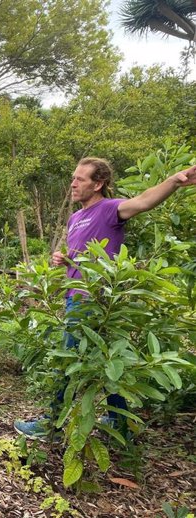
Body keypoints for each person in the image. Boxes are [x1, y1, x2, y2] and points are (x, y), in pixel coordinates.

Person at [14, 157, 196, 439]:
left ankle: (51, 426)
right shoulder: (75, 218)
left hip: (96, 300)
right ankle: (117, 423)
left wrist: (174, 180)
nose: (73, 183)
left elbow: (144, 201)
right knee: (109, 364)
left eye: (80, 179)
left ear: (98, 184)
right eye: (73, 177)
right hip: (76, 296)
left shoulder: (110, 209)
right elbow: (85, 255)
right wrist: (64, 260)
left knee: (68, 362)